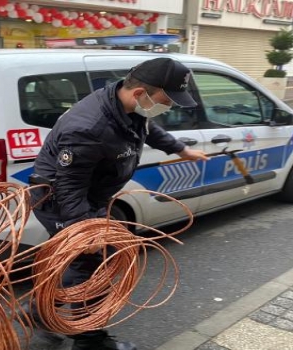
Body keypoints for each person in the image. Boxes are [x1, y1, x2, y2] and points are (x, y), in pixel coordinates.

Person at [28, 57, 209, 350]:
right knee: (89, 261)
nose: (171, 106)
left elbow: (148, 128)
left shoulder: (128, 105)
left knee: (97, 257)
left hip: (89, 194)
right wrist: (84, 229)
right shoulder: (88, 127)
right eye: (167, 100)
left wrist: (181, 150)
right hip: (61, 199)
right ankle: (89, 340)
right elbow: (69, 186)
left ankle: (41, 314)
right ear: (140, 93)